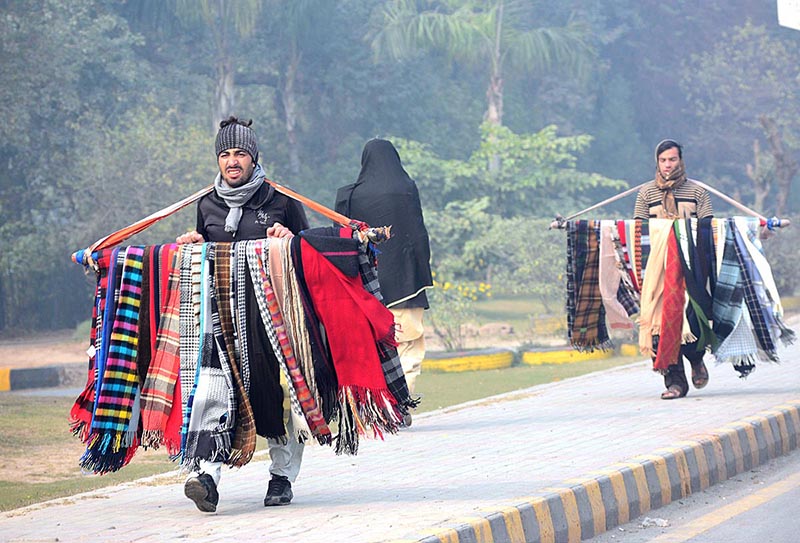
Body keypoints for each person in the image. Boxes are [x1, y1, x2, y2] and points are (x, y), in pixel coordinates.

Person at [177, 116, 309, 511]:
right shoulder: (207, 204)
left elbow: (308, 251)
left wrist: (289, 240)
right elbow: (204, 247)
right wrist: (195, 242)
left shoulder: (280, 200)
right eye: (224, 154)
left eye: (239, 153)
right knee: (215, 391)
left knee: (271, 397)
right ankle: (207, 478)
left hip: (270, 320)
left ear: (254, 157)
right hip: (219, 318)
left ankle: (282, 477)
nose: (232, 161)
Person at [334, 139, 433, 423]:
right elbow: (418, 234)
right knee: (409, 345)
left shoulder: (349, 196)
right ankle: (400, 405)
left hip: (366, 287)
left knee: (372, 347)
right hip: (407, 283)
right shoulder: (407, 189)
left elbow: (341, 239)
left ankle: (375, 408)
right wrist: (421, 270)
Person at [634, 139, 711, 400]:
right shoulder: (646, 194)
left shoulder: (698, 193)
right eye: (663, 160)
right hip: (658, 272)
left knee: (693, 319)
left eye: (673, 159)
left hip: (691, 269)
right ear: (657, 162)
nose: (668, 165)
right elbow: (638, 233)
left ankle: (696, 358)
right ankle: (675, 382)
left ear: (681, 160)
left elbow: (710, 230)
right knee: (660, 324)